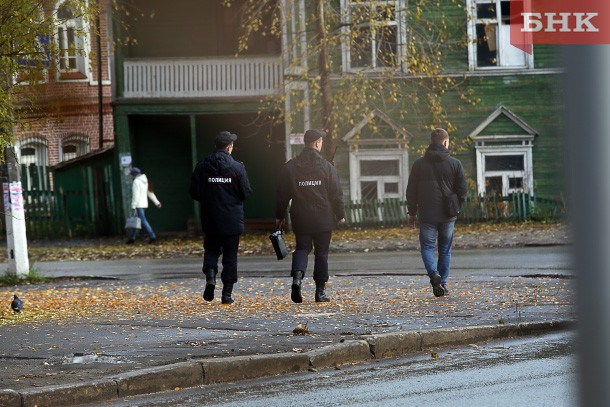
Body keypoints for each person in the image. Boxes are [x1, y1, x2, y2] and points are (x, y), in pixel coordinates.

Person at [275, 129, 345, 303]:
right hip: (323, 218)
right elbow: (336, 194)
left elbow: (282, 195)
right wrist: (340, 214)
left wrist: (279, 216)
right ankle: (320, 292)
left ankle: (297, 280)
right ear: (316, 143)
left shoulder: (290, 167)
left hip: (301, 217)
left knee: (302, 249)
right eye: (321, 141)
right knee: (321, 253)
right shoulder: (327, 167)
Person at [189, 131, 253, 304]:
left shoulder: (202, 166)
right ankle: (227, 294)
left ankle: (210, 278)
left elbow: (194, 192)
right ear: (229, 147)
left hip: (210, 218)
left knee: (211, 250)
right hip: (232, 220)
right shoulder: (237, 168)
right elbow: (246, 192)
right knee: (230, 256)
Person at [406, 128, 468, 297]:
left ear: (431, 142)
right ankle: (444, 284)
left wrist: (412, 213)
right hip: (448, 215)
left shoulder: (419, 164)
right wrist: (457, 206)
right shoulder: (455, 164)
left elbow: (411, 191)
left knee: (427, 247)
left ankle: (434, 275)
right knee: (445, 250)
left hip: (426, 214)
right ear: (445, 142)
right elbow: (463, 190)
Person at [127, 167, 162, 244]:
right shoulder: (144, 181)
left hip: (139, 205)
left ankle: (152, 236)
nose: (131, 176)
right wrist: (157, 202)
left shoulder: (136, 182)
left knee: (143, 221)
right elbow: (150, 193)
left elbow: (136, 195)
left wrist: (133, 206)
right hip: (144, 204)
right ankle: (131, 238)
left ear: (134, 175)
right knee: (136, 221)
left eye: (131, 175)